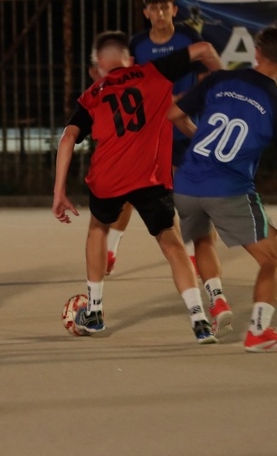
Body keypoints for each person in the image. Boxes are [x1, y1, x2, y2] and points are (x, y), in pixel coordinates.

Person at [167, 23, 277, 352]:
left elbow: (173, 113)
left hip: (186, 184)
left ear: (256, 53)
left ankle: (217, 300)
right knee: (274, 260)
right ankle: (258, 332)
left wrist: (199, 138)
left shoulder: (219, 80)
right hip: (228, 189)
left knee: (203, 239)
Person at [53, 30, 222, 344]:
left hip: (108, 179)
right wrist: (222, 84)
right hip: (150, 176)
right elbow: (203, 49)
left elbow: (67, 138)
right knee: (170, 240)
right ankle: (199, 318)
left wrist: (58, 191)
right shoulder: (154, 72)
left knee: (97, 229)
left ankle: (95, 312)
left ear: (97, 66)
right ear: (129, 59)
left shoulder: (93, 94)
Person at [104, 0, 208, 278]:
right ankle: (110, 250)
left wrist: (180, 102)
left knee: (183, 195)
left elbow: (205, 79)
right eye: (154, 8)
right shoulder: (137, 44)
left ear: (174, 10)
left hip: (182, 129)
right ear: (146, 12)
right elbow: (129, 83)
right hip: (148, 129)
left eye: (165, 8)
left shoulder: (189, 38)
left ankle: (190, 254)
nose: (160, 13)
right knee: (129, 192)